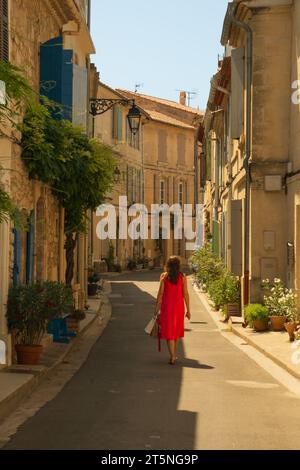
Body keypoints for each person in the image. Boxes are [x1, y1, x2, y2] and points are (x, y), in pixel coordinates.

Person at [155, 256, 191, 365]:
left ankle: (172, 356)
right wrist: (188, 310)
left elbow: (160, 294)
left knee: (169, 332)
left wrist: (156, 309)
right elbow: (185, 294)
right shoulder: (182, 277)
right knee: (176, 331)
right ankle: (174, 354)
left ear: (168, 265)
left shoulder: (164, 277)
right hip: (179, 307)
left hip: (167, 308)